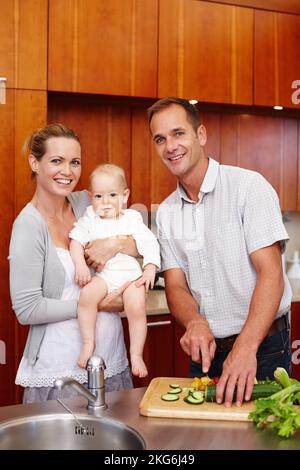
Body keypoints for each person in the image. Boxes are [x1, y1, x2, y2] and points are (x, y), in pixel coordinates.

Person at [148, 97, 292, 407]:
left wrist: (245, 347)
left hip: (263, 347)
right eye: (160, 139)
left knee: (263, 440)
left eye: (178, 133)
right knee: (206, 439)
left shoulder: (248, 188)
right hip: (206, 353)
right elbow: (175, 285)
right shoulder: (167, 212)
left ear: (200, 135)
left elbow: (272, 274)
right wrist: (195, 322)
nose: (170, 146)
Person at [9, 123, 139, 403]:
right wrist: (95, 303)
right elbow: (27, 309)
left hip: (110, 359)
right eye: (57, 161)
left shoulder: (87, 203)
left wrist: (114, 244)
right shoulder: (28, 226)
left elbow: (142, 238)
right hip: (59, 367)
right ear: (35, 162)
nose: (67, 171)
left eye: (75, 162)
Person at [69, 163, 160, 375]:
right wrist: (80, 265)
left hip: (130, 277)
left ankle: (136, 355)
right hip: (105, 275)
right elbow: (75, 241)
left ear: (125, 195)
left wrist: (150, 268)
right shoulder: (89, 216)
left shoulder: (132, 218)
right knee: (87, 296)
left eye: (112, 195)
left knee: (136, 307)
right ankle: (88, 343)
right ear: (91, 197)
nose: (106, 202)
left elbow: (149, 243)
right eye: (99, 196)